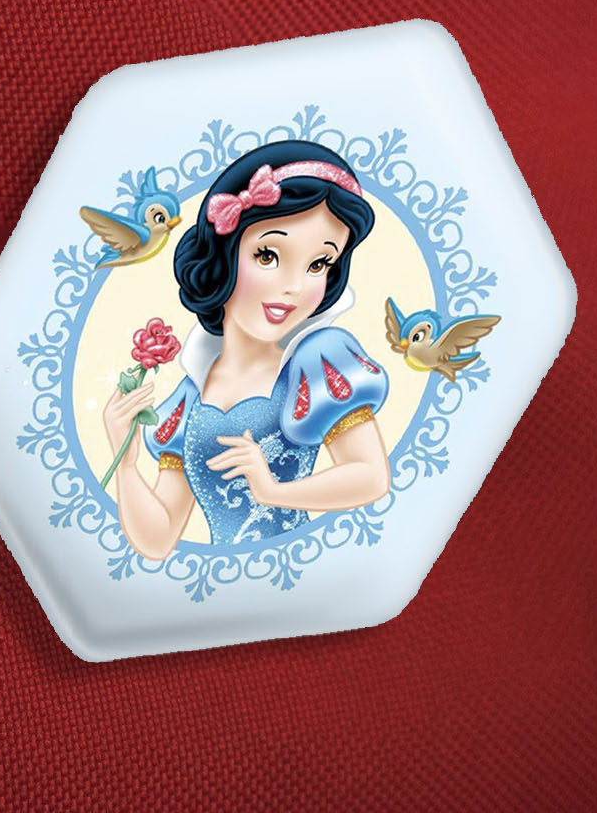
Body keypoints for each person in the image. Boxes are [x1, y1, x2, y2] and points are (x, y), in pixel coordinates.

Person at [100, 141, 391, 557]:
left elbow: (370, 477)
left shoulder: (317, 361)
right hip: (225, 586)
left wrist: (273, 490)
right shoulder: (189, 396)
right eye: (268, 255)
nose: (294, 286)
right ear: (224, 254)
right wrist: (125, 462)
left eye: (318, 265)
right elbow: (158, 539)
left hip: (304, 572)